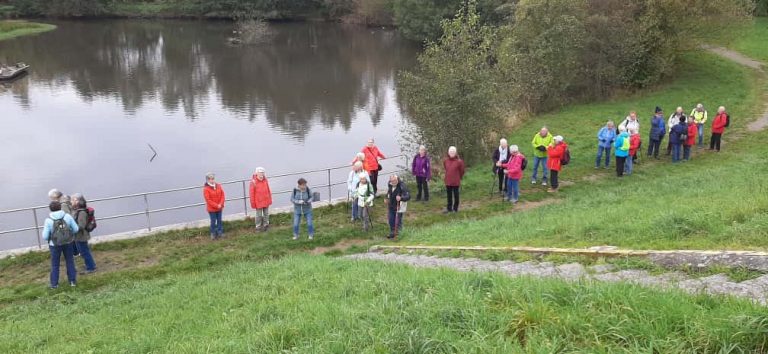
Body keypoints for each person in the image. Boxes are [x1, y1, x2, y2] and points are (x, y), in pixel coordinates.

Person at [42, 201, 79, 288]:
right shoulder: (67, 216)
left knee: (55, 264)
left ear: (50, 209)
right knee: (70, 261)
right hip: (68, 242)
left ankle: (54, 284)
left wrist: (50, 239)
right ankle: (72, 282)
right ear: (60, 207)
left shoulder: (48, 220)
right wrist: (69, 234)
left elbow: (45, 236)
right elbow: (76, 229)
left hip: (54, 245)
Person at [71, 194, 96, 274]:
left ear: (77, 201)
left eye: (72, 200)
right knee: (84, 251)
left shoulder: (81, 212)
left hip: (81, 235)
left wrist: (71, 228)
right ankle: (91, 265)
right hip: (79, 235)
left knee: (84, 252)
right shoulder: (78, 210)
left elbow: (81, 225)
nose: (71, 202)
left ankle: (90, 268)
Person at [385, 174, 410, 239]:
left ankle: (399, 234)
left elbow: (408, 196)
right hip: (391, 205)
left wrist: (401, 198)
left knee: (398, 221)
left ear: (397, 179)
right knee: (391, 220)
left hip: (399, 206)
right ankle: (392, 233)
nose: (393, 182)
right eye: (392, 181)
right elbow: (388, 192)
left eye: (394, 180)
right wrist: (386, 198)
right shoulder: (390, 184)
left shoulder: (402, 186)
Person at [443, 146, 466, 213]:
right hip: (448, 181)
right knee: (449, 196)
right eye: (450, 152)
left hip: (456, 181)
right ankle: (449, 208)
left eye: (453, 152)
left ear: (455, 153)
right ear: (448, 152)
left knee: (456, 196)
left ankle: (455, 209)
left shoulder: (459, 161)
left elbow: (462, 171)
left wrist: (459, 177)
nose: (451, 153)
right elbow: (445, 168)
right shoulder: (446, 161)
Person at [249, 167, 272, 232]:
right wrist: (253, 203)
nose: (262, 174)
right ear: (256, 173)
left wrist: (270, 199)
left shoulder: (265, 180)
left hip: (266, 200)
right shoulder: (253, 182)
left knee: (266, 214)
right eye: (260, 172)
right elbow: (251, 194)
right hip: (258, 202)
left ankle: (266, 225)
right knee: (258, 215)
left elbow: (268, 190)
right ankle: (258, 227)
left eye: (263, 172)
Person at [203, 173, 225, 240]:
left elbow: (222, 195)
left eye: (213, 179)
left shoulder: (218, 185)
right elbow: (208, 200)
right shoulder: (206, 189)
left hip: (219, 207)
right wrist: (217, 205)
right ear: (207, 180)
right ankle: (213, 233)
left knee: (219, 220)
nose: (212, 180)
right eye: (210, 179)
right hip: (212, 209)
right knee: (213, 221)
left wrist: (220, 204)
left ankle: (220, 232)